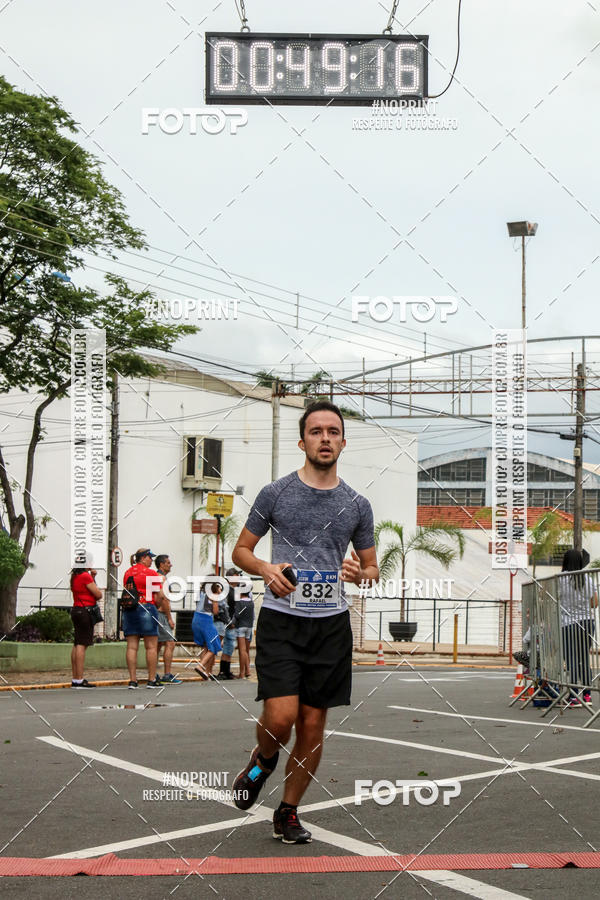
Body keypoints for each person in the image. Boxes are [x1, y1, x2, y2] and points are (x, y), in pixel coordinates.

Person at [231, 399, 378, 844]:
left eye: (333, 432)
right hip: (282, 620)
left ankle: (288, 812)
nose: (325, 438)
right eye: (317, 431)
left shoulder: (357, 504)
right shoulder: (274, 493)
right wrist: (266, 570)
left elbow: (372, 569)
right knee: (280, 717)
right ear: (303, 441)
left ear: (343, 442)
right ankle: (263, 758)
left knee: (313, 728)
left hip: (331, 626)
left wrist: (361, 573)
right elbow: (241, 551)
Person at [121, 548, 164, 689]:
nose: (151, 560)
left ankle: (133, 680)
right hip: (146, 606)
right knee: (151, 646)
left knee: (132, 646)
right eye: (150, 558)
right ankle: (151, 679)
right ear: (143, 557)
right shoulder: (151, 573)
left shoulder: (128, 573)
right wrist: (156, 606)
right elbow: (159, 596)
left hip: (130, 609)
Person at [559, 549, 598, 706]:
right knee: (583, 658)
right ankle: (587, 695)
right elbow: (595, 602)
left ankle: (574, 696)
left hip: (568, 623)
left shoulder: (561, 579)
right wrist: (583, 606)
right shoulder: (587, 578)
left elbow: (550, 596)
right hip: (587, 622)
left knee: (571, 658)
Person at [70, 567, 103, 688]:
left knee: (77, 643)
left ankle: (75, 678)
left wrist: (93, 577)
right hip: (85, 611)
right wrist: (93, 578)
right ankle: (79, 679)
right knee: (82, 645)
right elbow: (98, 594)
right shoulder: (85, 576)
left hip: (76, 609)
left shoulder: (75, 576)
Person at [154, 554, 182, 684]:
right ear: (161, 564)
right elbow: (164, 599)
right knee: (170, 643)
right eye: (168, 562)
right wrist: (170, 618)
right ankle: (167, 674)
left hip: (156, 614)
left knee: (158, 645)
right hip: (161, 614)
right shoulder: (162, 578)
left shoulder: (156, 576)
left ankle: (153, 673)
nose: (170, 565)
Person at [192, 581, 223, 681]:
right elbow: (216, 611)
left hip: (196, 619)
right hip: (206, 620)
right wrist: (217, 596)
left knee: (204, 646)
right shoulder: (213, 596)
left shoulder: (201, 593)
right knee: (214, 644)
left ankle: (204, 671)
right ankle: (200, 666)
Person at [214, 571, 237, 680]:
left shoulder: (233, 590)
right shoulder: (226, 590)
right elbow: (225, 607)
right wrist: (228, 621)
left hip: (231, 621)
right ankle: (223, 671)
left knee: (229, 647)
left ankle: (226, 670)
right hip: (227, 622)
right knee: (226, 645)